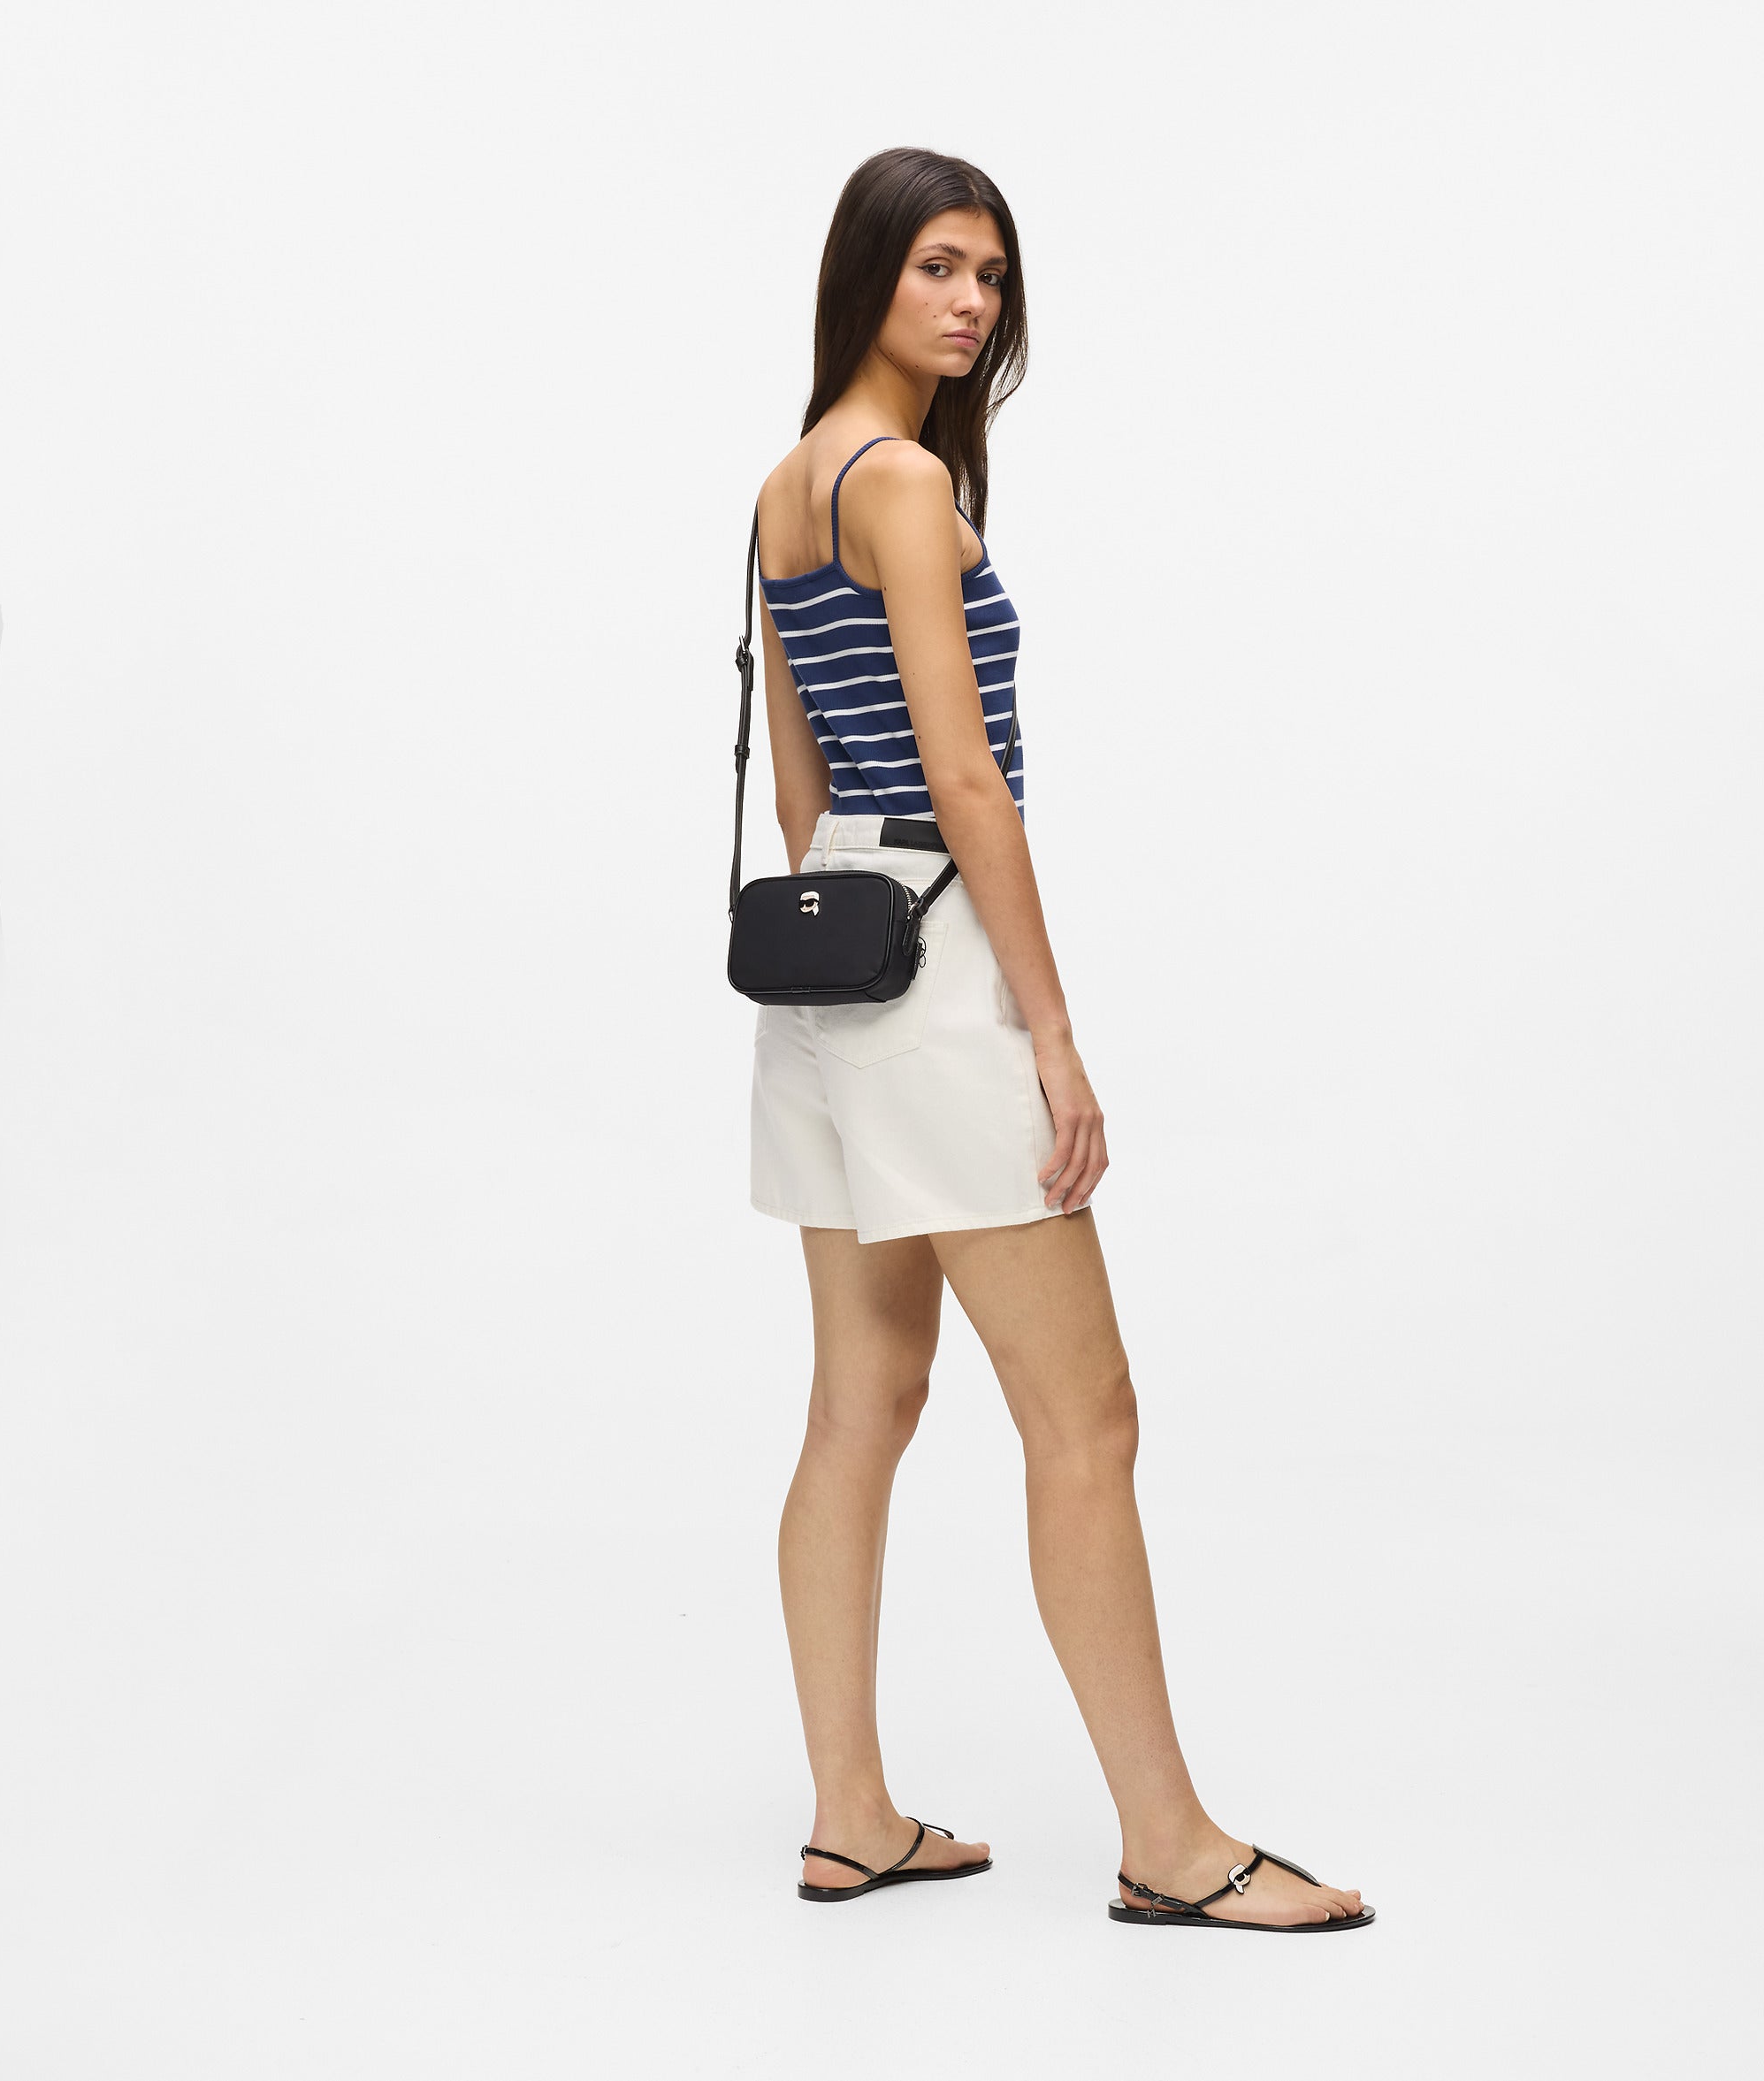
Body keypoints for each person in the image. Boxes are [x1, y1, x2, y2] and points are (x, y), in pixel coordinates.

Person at [744, 146, 1371, 1932]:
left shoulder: (784, 487)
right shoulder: (903, 488)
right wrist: (1050, 1031)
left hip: (829, 959)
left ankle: (850, 1815)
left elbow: (803, 784)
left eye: (992, 276)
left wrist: (861, 957)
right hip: (938, 961)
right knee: (1084, 1417)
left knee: (860, 1404)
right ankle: (1170, 1844)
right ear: (866, 274)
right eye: (938, 266)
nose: (971, 303)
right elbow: (963, 778)